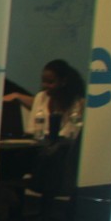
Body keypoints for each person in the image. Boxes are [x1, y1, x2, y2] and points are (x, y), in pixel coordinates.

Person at [27, 58, 86, 201]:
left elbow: (71, 133)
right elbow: (32, 128)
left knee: (54, 156)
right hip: (39, 146)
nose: (45, 85)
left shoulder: (76, 102)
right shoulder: (41, 97)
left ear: (63, 82)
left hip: (63, 152)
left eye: (50, 82)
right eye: (43, 81)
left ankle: (45, 202)